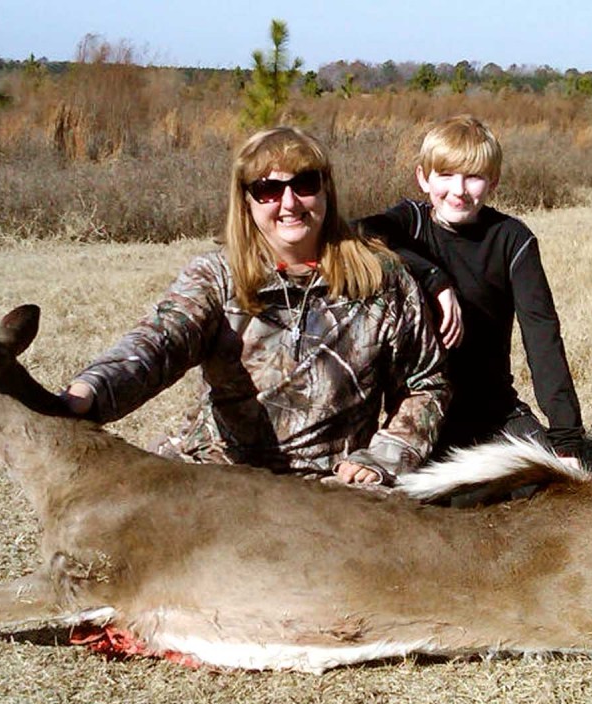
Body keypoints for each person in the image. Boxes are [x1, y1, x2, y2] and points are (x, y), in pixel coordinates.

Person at [63, 127, 450, 486]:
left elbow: (425, 385)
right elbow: (160, 341)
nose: (289, 202)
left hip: (330, 490)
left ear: (326, 190)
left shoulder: (381, 279)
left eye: (304, 184)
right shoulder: (216, 276)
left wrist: (383, 458)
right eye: (267, 189)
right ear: (246, 201)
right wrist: (91, 389)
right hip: (218, 476)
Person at [357, 114, 584, 463]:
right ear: (423, 178)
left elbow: (542, 336)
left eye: (473, 177)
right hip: (417, 412)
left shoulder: (513, 239)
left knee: (546, 482)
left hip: (494, 409)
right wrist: (435, 280)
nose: (458, 190)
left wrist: (566, 439)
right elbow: (359, 233)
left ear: (493, 182)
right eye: (445, 175)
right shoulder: (409, 222)